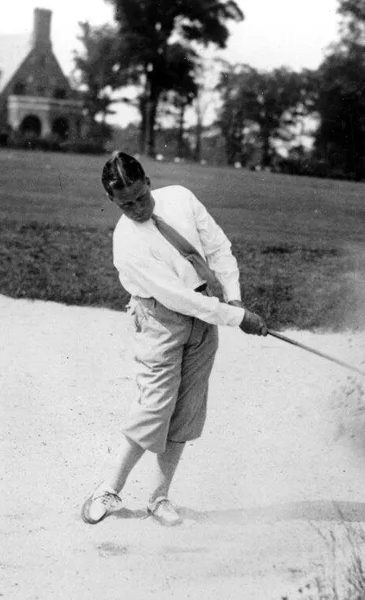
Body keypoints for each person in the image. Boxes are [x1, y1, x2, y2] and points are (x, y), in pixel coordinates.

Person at [81, 152, 268, 526]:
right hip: (160, 319)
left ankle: (159, 498)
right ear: (112, 201)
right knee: (155, 406)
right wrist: (237, 318)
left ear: (148, 181)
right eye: (125, 204)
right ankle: (107, 489)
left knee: (187, 408)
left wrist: (234, 296)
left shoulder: (181, 197)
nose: (136, 208)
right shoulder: (127, 242)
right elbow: (177, 298)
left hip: (205, 312)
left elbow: (218, 247)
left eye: (140, 197)